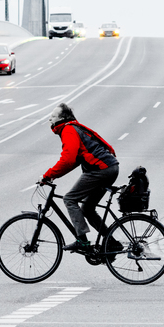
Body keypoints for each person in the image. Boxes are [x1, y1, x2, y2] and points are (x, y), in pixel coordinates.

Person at [40, 103, 123, 253]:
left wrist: (49, 175)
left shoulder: (68, 130)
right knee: (87, 209)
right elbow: (75, 161)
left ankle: (82, 241)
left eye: (53, 116)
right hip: (109, 167)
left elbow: (68, 160)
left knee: (69, 199)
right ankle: (112, 242)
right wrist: (53, 176)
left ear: (62, 118)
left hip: (102, 169)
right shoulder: (73, 128)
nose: (50, 119)